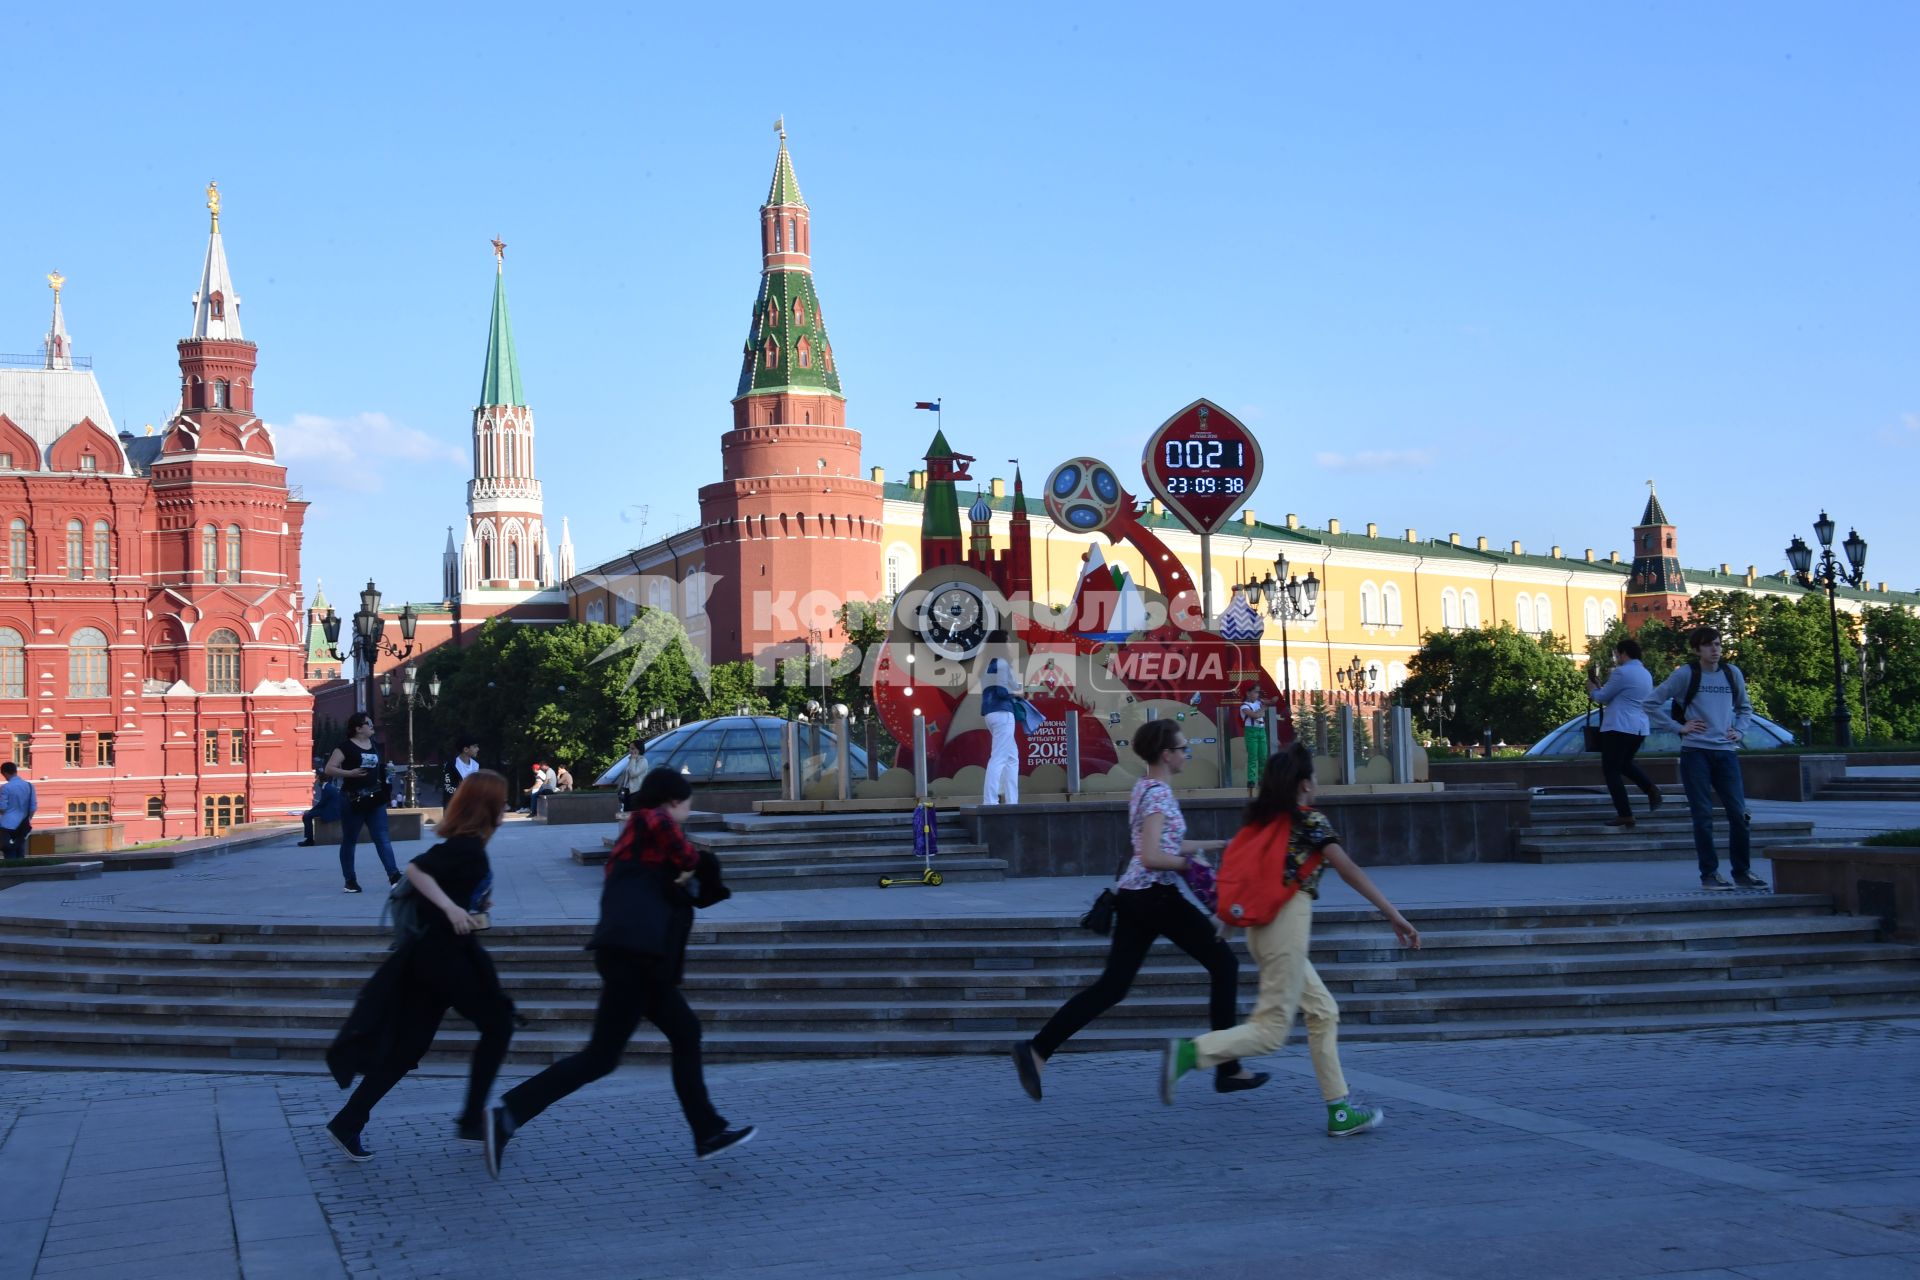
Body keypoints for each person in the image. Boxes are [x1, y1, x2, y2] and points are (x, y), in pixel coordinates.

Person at [484, 767, 754, 1176]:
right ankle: (507, 1113)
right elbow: (685, 856)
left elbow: (666, 877)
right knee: (613, 1053)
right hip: (636, 960)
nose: (687, 813)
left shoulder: (637, 843)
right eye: (687, 804)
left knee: (644, 1045)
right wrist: (703, 862)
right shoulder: (653, 819)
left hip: (633, 958)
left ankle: (706, 1131)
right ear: (673, 801)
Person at [1159, 742, 1420, 1136]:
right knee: (1271, 1031)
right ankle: (1192, 1053)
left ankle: (1339, 1109)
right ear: (1302, 784)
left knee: (1323, 1012)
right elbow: (1347, 869)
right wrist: (1393, 914)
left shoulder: (1262, 823)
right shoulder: (1310, 822)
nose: (1317, 783)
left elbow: (1240, 876)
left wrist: (1227, 922)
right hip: (1286, 926)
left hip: (1261, 930)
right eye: (1313, 776)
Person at [1012, 718, 1264, 1100]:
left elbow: (1165, 843)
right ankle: (1227, 1068)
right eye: (1183, 749)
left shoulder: (1145, 788)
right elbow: (1151, 856)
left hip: (1135, 896)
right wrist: (1190, 866)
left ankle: (1036, 1051)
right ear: (1167, 754)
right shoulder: (1159, 794)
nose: (1187, 755)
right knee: (1224, 964)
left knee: (1112, 987)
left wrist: (1214, 845)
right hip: (1155, 896)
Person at [324, 770, 517, 1162]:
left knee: (408, 1048)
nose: (506, 809)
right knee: (498, 1024)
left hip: (433, 959)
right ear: (488, 808)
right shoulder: (466, 848)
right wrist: (451, 907)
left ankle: (348, 1121)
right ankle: (470, 1120)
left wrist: (471, 905)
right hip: (445, 959)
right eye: (502, 802)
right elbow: (416, 871)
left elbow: (445, 885)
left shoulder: (468, 847)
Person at [1645, 627, 1766, 890]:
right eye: (1709, 645)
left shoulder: (1732, 673)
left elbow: (1745, 708)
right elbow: (1650, 702)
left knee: (1739, 814)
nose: (1715, 650)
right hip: (1695, 752)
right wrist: (1679, 727)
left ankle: (1742, 872)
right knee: (1703, 816)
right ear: (1697, 649)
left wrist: (1740, 730)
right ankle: (1709, 874)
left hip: (1726, 753)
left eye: (1719, 644)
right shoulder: (1686, 674)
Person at [1588, 637, 1660, 827]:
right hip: (1639, 727)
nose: (1617, 658)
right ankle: (1650, 789)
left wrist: (1593, 690)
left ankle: (1625, 813)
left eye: (1617, 654)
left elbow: (1603, 697)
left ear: (1623, 653)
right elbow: (1621, 696)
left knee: (1610, 770)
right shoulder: (1645, 673)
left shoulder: (1622, 672)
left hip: (1619, 726)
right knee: (1624, 764)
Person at [325, 713, 400, 893]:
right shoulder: (345, 747)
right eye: (369, 724)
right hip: (352, 799)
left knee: (382, 838)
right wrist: (349, 774)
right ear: (358, 728)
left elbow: (375, 769)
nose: (373, 726)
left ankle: (394, 876)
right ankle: (350, 881)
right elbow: (329, 768)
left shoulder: (373, 745)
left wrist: (387, 772)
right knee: (350, 840)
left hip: (375, 798)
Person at [979, 634, 1021, 806]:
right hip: (1003, 713)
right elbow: (1002, 692)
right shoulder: (1003, 664)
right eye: (1008, 641)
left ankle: (1012, 801)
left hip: (990, 713)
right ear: (1002, 644)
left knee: (1011, 758)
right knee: (999, 758)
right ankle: (990, 801)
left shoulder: (987, 665)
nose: (1011, 644)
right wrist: (1018, 693)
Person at [0, 762, 37, 861]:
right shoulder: (29, 786)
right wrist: (27, 819)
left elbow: (2, 808)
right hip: (23, 825)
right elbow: (33, 807)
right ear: (16, 771)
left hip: (7, 825)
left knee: (9, 852)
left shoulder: (5, 788)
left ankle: (11, 874)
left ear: (5, 773)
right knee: (20, 852)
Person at [1238, 686, 1268, 795]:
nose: (1257, 694)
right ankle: (1251, 780)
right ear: (1248, 693)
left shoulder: (1259, 703)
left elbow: (1269, 704)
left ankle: (1262, 779)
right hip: (1251, 731)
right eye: (1255, 692)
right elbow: (1256, 715)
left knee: (1263, 756)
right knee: (1253, 756)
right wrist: (1263, 708)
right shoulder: (1244, 706)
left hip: (1261, 730)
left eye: (1258, 692)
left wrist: (1269, 702)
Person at [296, 766, 335, 847]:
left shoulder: (327, 788)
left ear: (320, 778)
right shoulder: (327, 786)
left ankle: (309, 840)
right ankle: (309, 839)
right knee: (308, 815)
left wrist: (310, 811)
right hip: (328, 809)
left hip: (330, 811)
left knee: (306, 816)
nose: (316, 779)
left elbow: (321, 803)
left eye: (316, 777)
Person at [442, 738, 482, 806]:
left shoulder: (477, 764)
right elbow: (448, 787)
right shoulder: (451, 765)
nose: (478, 749)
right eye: (475, 746)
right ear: (466, 749)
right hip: (457, 807)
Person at [615, 740, 649, 813]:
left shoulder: (642, 761)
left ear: (639, 749)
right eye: (630, 748)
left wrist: (633, 759)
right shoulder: (631, 760)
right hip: (627, 791)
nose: (630, 750)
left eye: (633, 748)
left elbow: (633, 774)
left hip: (636, 792)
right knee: (626, 813)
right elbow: (626, 775)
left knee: (634, 814)